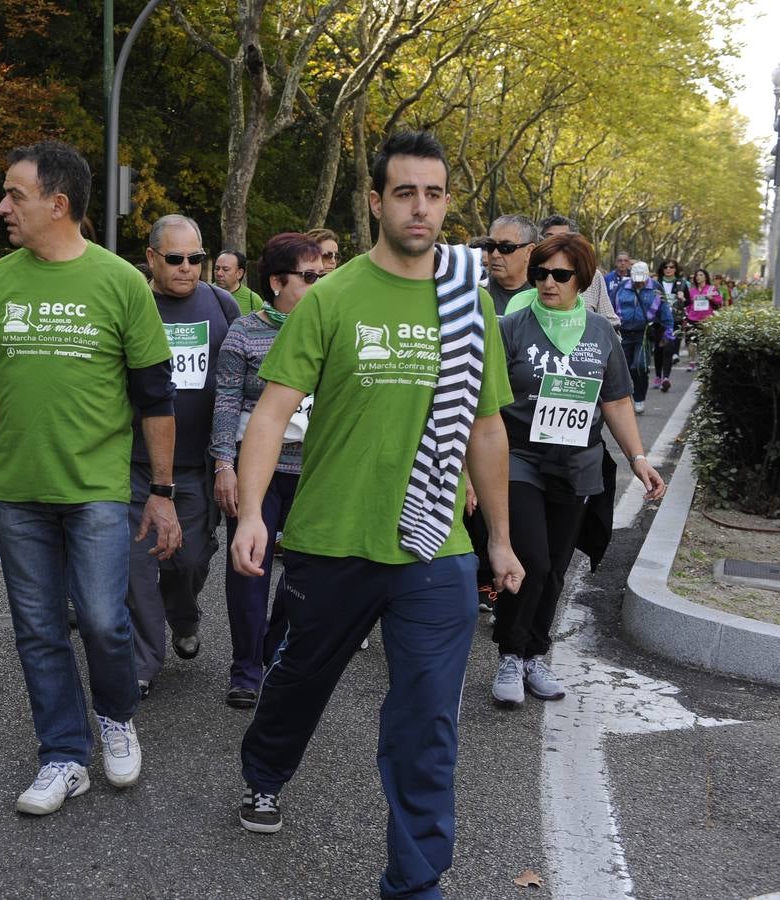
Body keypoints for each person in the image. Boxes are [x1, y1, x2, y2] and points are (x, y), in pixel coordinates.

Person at [230, 131, 521, 900]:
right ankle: (265, 768)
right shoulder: (331, 296)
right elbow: (271, 413)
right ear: (377, 201)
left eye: (433, 193)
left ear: (447, 203)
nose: (419, 207)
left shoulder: (467, 301)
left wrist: (500, 538)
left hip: (435, 545)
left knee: (427, 722)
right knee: (300, 678)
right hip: (334, 539)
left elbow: (488, 428)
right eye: (404, 192)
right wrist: (253, 511)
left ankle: (415, 883)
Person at [0, 139, 179, 817]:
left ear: (57, 204)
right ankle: (64, 755)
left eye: (15, 195)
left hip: (97, 491)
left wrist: (163, 491)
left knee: (100, 619)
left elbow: (155, 397)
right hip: (19, 494)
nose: (3, 206)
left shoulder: (121, 282)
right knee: (36, 629)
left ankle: (116, 715)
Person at [491, 233, 666, 706]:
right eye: (541, 273)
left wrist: (638, 458)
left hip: (576, 463)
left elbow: (616, 400)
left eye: (560, 275)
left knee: (555, 569)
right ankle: (510, 653)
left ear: (582, 279)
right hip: (518, 458)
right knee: (531, 560)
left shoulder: (599, 331)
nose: (548, 282)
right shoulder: (511, 327)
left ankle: (534, 655)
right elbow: (484, 404)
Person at [127, 214, 239, 699]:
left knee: (188, 560)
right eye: (175, 259)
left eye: (197, 259)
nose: (188, 268)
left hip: (197, 463)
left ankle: (185, 614)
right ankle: (142, 663)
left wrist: (229, 459)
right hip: (133, 462)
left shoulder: (221, 303)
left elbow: (242, 381)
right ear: (152, 258)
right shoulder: (131, 303)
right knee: (136, 566)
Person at [211, 232, 321, 709]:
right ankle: (246, 668)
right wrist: (224, 465)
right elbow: (226, 402)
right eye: (310, 277)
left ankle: (274, 648)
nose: (320, 285)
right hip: (257, 471)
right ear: (277, 281)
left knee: (306, 571)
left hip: (313, 471)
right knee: (248, 567)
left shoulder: (328, 328)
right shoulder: (244, 333)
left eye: (324, 276)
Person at [535, 215, 620, 327]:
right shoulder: (532, 273)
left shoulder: (593, 276)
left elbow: (611, 323)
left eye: (562, 238)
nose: (554, 244)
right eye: (549, 238)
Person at [615, 261, 673, 414]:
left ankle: (639, 398)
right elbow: (610, 307)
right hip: (623, 333)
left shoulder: (656, 288)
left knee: (639, 366)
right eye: (636, 278)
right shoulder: (622, 287)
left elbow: (665, 309)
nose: (638, 281)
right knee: (625, 369)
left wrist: (668, 330)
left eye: (641, 278)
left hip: (644, 334)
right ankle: (627, 398)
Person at [478, 214, 537, 314]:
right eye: (490, 246)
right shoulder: (474, 291)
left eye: (506, 247)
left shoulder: (546, 294)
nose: (495, 254)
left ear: (529, 251)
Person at [653, 259, 686, 390]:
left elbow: (688, 302)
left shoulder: (682, 284)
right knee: (658, 350)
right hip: (658, 320)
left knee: (669, 348)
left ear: (675, 269)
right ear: (662, 269)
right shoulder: (655, 283)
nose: (668, 269)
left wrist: (683, 299)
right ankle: (657, 376)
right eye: (665, 267)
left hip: (674, 320)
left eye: (671, 267)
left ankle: (666, 377)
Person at [683, 267, 722, 371]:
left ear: (705, 277)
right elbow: (687, 305)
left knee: (704, 342)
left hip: (706, 320)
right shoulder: (691, 291)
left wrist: (711, 298)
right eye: (697, 275)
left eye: (701, 275)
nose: (698, 277)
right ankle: (691, 362)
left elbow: (719, 302)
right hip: (692, 319)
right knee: (691, 342)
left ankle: (702, 361)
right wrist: (686, 316)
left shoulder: (711, 289)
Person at [213, 250, 264, 315]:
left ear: (239, 273)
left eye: (225, 269)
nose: (219, 273)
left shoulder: (253, 300)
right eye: (217, 268)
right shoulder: (205, 293)